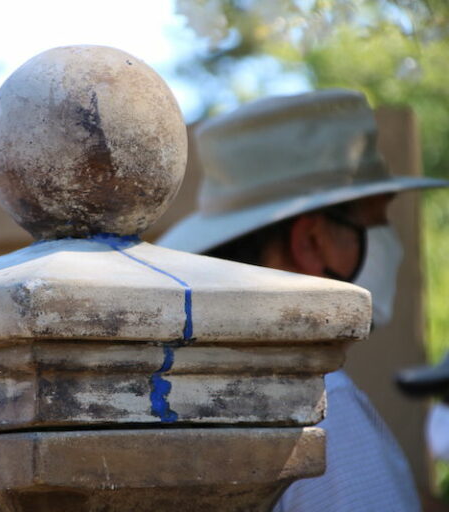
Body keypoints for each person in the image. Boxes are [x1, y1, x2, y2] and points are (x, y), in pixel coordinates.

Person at [157, 89, 448, 511]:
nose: (391, 242)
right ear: (312, 241)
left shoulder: (180, 384)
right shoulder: (316, 403)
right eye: (377, 220)